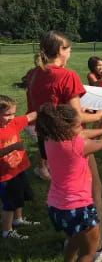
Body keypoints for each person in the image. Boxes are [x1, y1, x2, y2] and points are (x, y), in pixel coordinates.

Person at [28, 31, 102, 258]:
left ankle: (72, 239)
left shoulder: (33, 74)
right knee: (93, 189)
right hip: (71, 141)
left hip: (47, 142)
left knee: (64, 188)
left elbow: (44, 108)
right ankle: (95, 246)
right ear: (60, 51)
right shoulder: (68, 75)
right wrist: (101, 112)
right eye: (68, 48)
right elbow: (77, 117)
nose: (70, 52)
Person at [36, 103, 102, 262]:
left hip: (56, 206)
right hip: (79, 207)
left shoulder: (50, 138)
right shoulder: (78, 145)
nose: (80, 129)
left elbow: (82, 133)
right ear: (66, 128)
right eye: (77, 126)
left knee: (74, 239)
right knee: (88, 252)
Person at [0, 95, 39, 240]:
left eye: (13, 113)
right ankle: (7, 231)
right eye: (7, 114)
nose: (11, 117)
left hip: (18, 169)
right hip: (5, 176)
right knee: (9, 203)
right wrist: (13, 147)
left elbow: (29, 117)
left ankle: (18, 220)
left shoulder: (13, 123)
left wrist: (43, 109)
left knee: (20, 195)